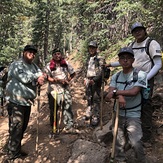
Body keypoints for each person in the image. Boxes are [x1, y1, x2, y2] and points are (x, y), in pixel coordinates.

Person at [106, 22, 162, 144]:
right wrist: (109, 64)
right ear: (132, 33)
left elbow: (158, 64)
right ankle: (129, 132)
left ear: (144, 30)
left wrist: (145, 78)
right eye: (135, 30)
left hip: (146, 79)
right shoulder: (132, 45)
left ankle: (146, 136)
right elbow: (125, 60)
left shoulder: (151, 43)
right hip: (132, 78)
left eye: (140, 29)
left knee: (145, 105)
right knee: (131, 101)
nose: (137, 32)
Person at [105, 47, 147, 163]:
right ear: (119, 61)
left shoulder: (141, 74)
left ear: (133, 60)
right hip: (118, 112)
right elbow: (110, 93)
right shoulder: (116, 76)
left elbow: (134, 92)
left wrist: (116, 93)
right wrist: (119, 96)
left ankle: (142, 160)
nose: (125, 60)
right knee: (118, 140)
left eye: (128, 58)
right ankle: (120, 160)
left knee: (136, 141)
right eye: (122, 58)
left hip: (134, 113)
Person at [4, 45, 46, 161]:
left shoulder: (34, 66)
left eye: (33, 53)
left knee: (22, 127)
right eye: (29, 52)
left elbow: (41, 74)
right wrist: (37, 78)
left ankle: (15, 148)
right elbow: (24, 78)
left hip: (27, 102)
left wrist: (42, 77)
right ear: (24, 52)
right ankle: (12, 156)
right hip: (16, 102)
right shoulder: (16, 64)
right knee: (16, 127)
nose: (32, 54)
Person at [44, 48, 76, 132]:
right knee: (54, 108)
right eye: (55, 54)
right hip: (54, 89)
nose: (57, 55)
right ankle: (54, 126)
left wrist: (67, 80)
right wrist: (57, 80)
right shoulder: (48, 66)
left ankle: (69, 125)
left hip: (65, 88)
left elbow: (73, 73)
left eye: (59, 54)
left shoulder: (65, 63)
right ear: (52, 55)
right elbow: (46, 77)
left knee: (68, 106)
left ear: (61, 54)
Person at [83, 41, 105, 126]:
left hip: (96, 80)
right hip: (89, 79)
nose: (91, 49)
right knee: (89, 96)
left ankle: (95, 116)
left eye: (93, 48)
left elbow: (101, 71)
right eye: (90, 48)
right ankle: (89, 112)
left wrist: (95, 80)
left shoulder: (100, 58)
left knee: (96, 98)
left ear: (96, 48)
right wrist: (85, 78)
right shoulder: (88, 58)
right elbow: (86, 70)